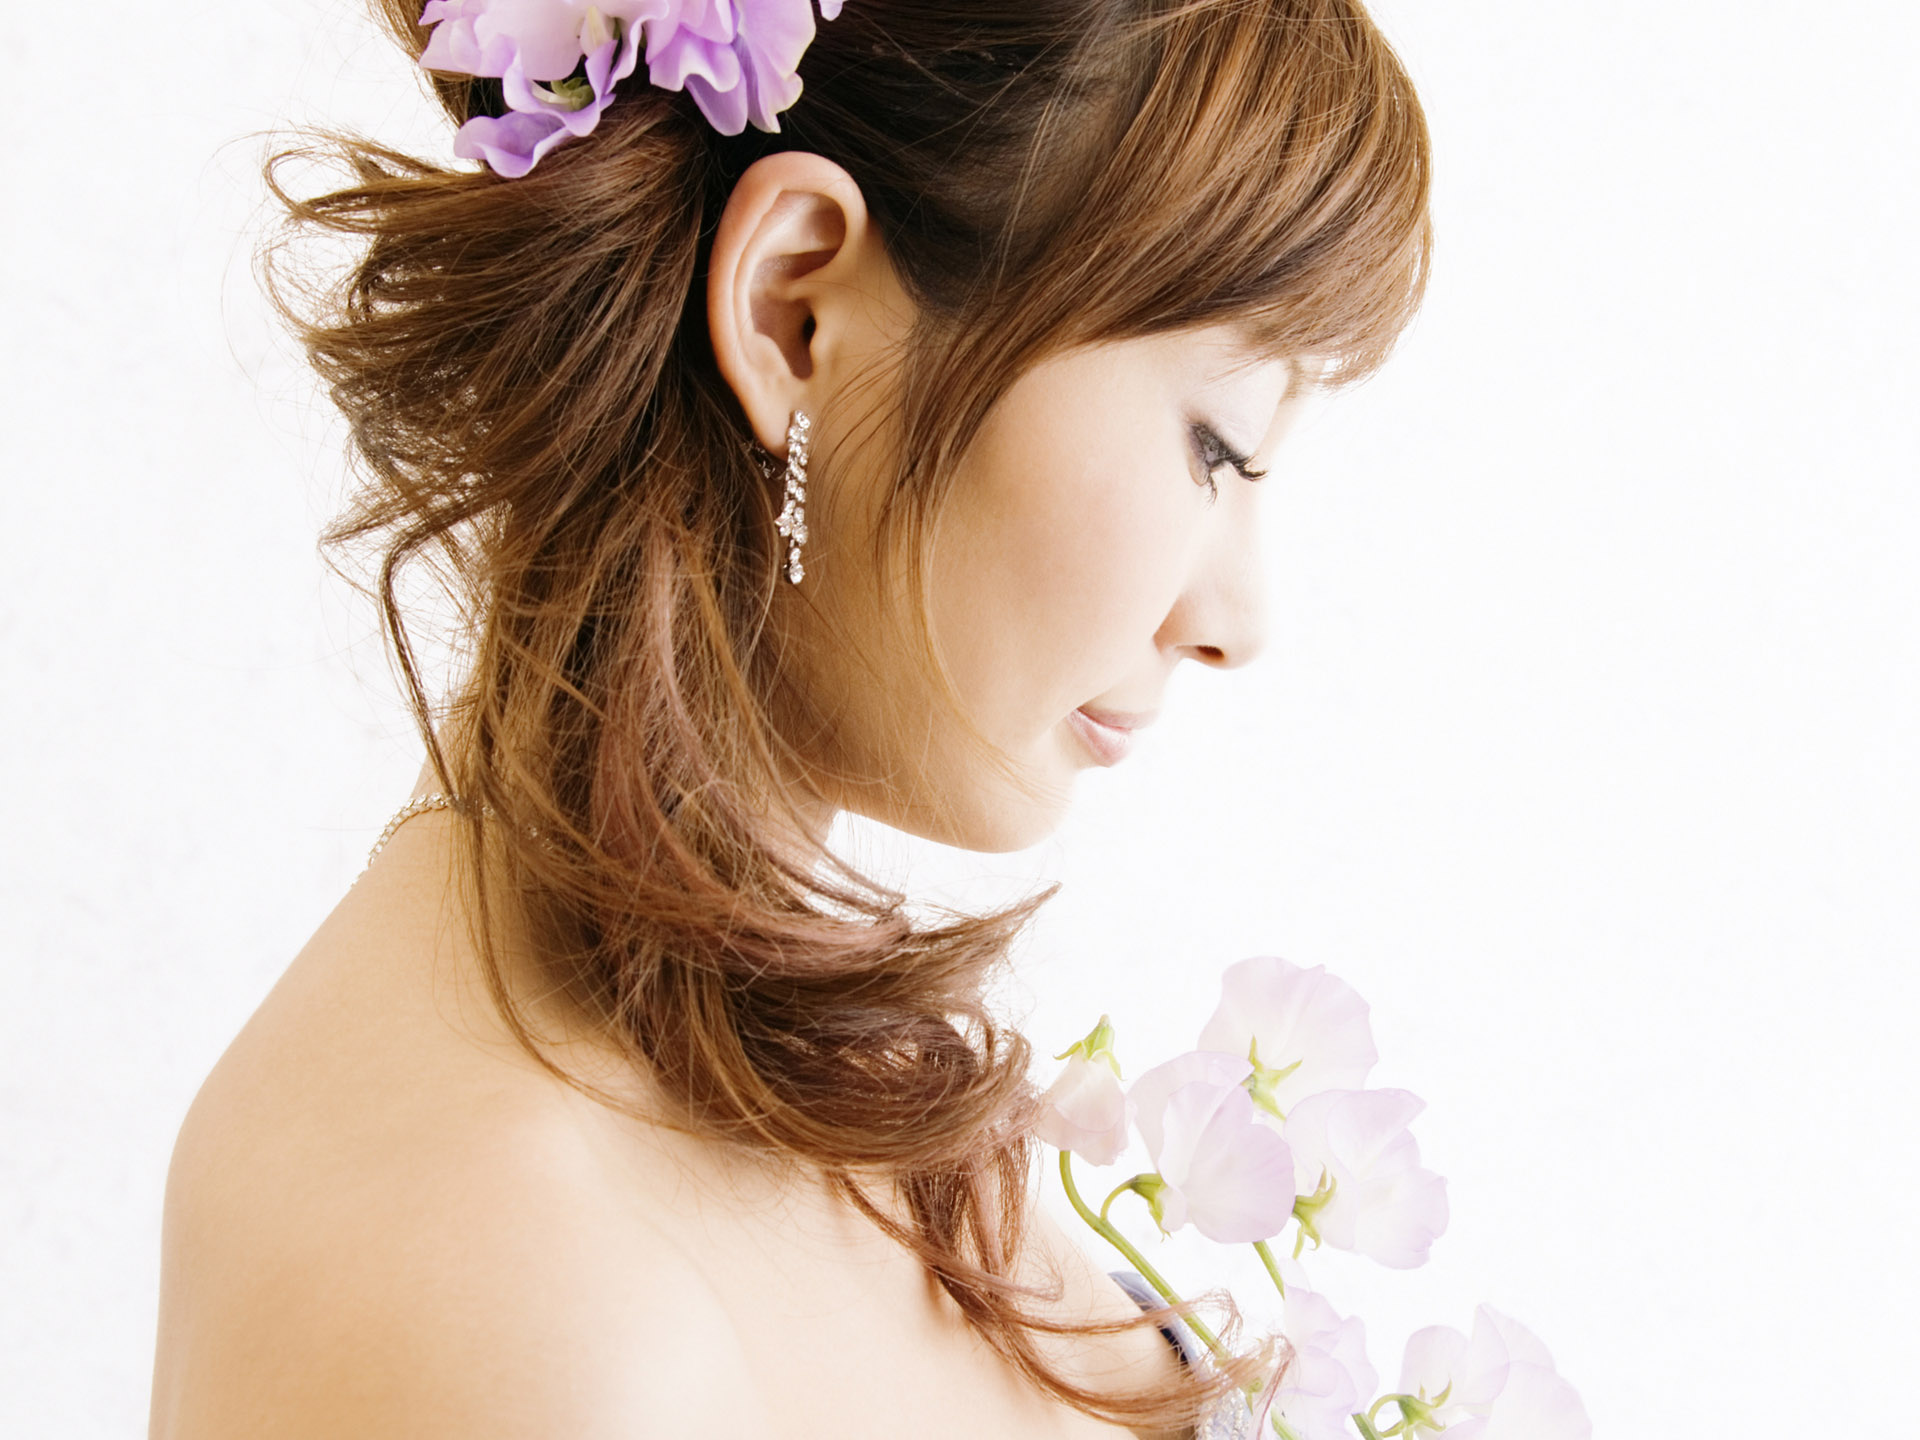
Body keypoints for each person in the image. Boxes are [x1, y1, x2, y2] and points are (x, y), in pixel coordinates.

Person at [149, 0, 1430, 1434]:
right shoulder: (508, 1301)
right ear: (793, 311)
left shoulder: (799, 1076)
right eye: (1218, 448)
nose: (1239, 620)